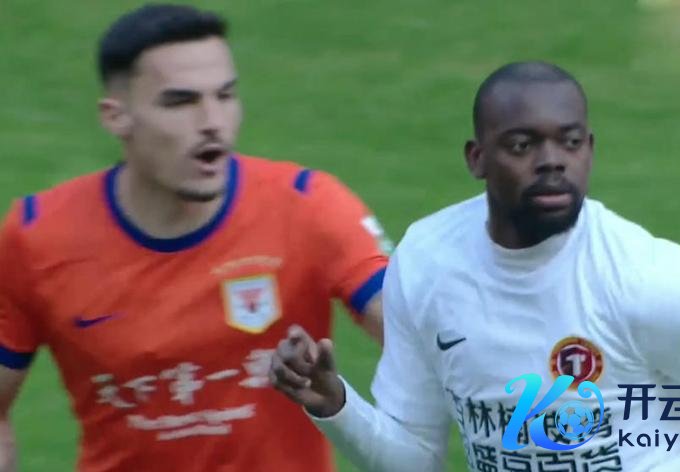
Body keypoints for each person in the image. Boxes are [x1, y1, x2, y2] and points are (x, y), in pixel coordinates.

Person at [270, 61, 680, 471]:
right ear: (477, 158)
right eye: (522, 145)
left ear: (590, 150)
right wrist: (334, 405)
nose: (552, 161)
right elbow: (416, 457)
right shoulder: (428, 263)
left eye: (570, 142)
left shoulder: (651, 280)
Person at [0, 4, 390, 472]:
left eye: (225, 95)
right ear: (117, 117)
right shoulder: (36, 238)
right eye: (180, 102)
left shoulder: (309, 208)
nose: (212, 121)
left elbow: (421, 332)